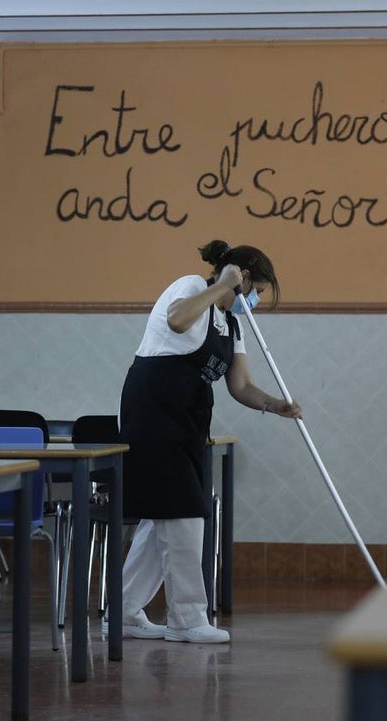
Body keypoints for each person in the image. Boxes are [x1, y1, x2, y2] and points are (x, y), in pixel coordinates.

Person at [115, 239, 303, 644]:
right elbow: (178, 321)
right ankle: (187, 620)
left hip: (189, 416)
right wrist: (223, 285)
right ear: (243, 278)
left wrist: (274, 405)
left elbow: (241, 385)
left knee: (164, 516)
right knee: (186, 513)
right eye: (256, 291)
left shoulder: (232, 325)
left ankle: (124, 613)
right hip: (153, 409)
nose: (253, 301)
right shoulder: (188, 288)